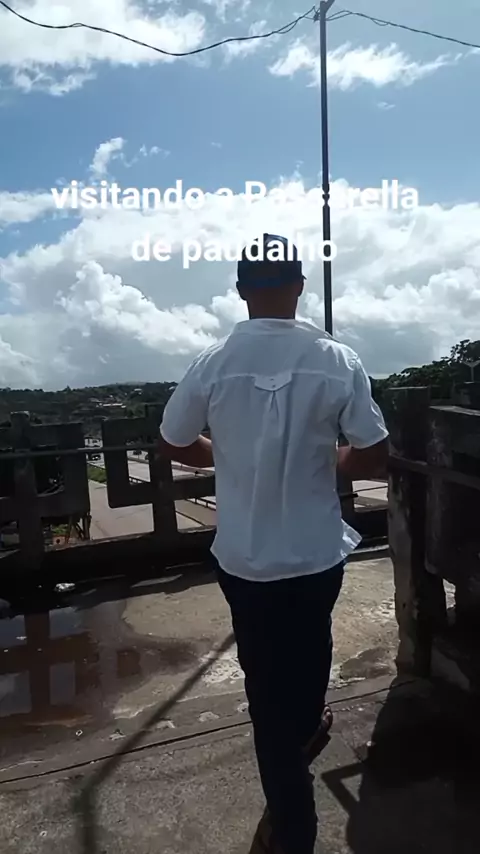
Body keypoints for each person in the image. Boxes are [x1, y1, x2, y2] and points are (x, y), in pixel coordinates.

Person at [158, 234, 389, 854]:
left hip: (244, 558)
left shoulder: (212, 363)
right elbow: (373, 453)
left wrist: (231, 456)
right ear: (300, 286)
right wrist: (332, 461)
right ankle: (304, 741)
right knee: (313, 648)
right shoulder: (337, 360)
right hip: (315, 554)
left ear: (240, 290)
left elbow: (173, 441)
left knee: (264, 685)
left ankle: (292, 825)